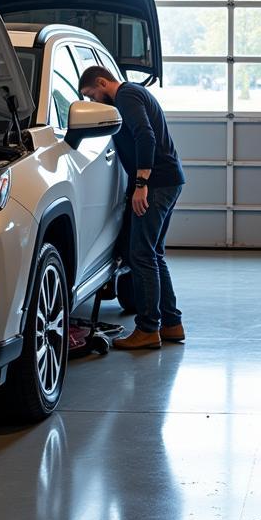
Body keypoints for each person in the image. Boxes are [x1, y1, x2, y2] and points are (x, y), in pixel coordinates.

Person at [80, 66, 186, 351]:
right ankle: (172, 324)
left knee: (141, 255)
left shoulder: (126, 96)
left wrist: (141, 184)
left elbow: (145, 136)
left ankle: (148, 329)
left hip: (157, 184)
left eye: (91, 95)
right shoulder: (133, 94)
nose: (92, 103)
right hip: (169, 180)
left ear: (102, 83)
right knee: (153, 254)